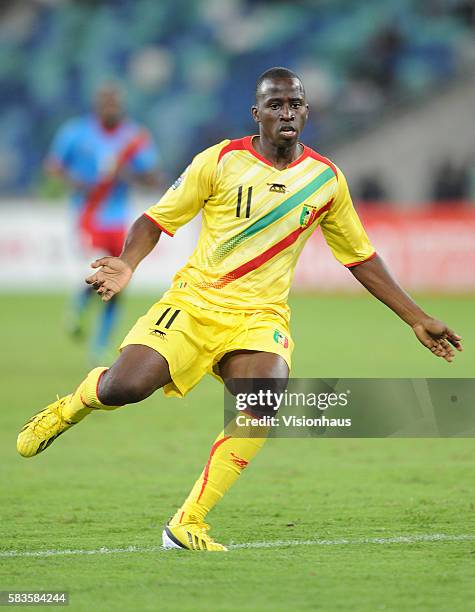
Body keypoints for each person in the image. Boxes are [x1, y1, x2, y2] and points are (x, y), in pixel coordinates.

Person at [18, 67, 462, 552]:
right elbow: (155, 218)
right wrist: (126, 264)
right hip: (193, 304)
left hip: (259, 317)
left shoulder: (326, 181)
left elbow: (360, 257)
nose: (287, 112)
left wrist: (417, 317)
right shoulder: (220, 161)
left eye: (295, 104)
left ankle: (188, 523)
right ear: (257, 114)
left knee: (262, 401)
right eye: (276, 105)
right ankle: (74, 403)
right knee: (125, 387)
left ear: (307, 112)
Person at [45, 83, 160, 363]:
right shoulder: (76, 132)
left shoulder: (134, 137)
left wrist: (127, 173)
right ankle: (81, 303)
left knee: (118, 282)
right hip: (88, 216)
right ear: (97, 105)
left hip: (119, 219)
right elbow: (54, 166)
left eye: (115, 103)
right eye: (106, 103)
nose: (111, 108)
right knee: (103, 271)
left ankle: (100, 345)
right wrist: (77, 183)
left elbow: (153, 177)